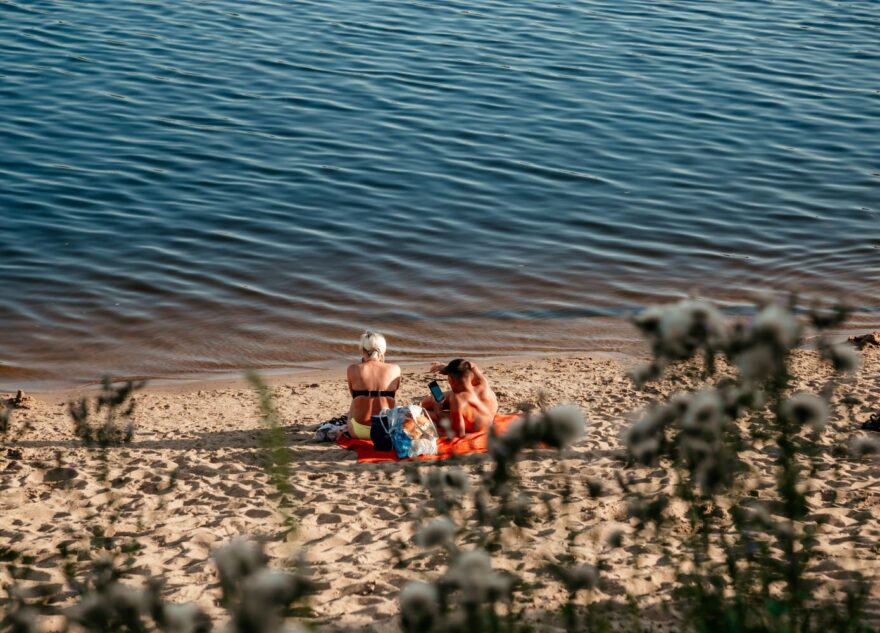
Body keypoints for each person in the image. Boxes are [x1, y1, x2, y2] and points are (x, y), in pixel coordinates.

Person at [421, 359, 498, 437]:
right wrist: (447, 368)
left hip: (478, 427)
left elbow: (459, 433)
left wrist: (438, 410)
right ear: (471, 375)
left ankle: (434, 405)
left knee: (427, 413)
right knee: (437, 398)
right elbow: (472, 365)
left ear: (451, 380)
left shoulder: (458, 399)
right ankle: (437, 401)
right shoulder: (482, 382)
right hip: (488, 419)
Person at [346, 331, 401, 439]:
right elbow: (394, 393)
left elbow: (353, 395)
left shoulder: (353, 369)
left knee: (356, 402)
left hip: (359, 431)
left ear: (363, 350)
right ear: (383, 350)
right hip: (387, 430)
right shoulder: (395, 369)